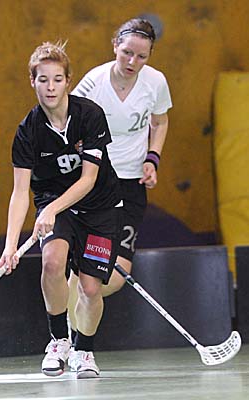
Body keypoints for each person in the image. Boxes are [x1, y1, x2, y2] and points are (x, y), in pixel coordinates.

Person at [0, 41, 121, 379]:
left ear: (68, 81)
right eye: (43, 79)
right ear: (32, 81)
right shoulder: (27, 132)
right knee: (51, 262)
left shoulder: (90, 115)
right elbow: (20, 192)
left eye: (57, 79)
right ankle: (59, 341)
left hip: (100, 207)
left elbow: (89, 179)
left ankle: (84, 351)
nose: (50, 87)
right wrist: (9, 246)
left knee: (90, 288)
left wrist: (51, 210)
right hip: (55, 203)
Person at [68, 18, 172, 366]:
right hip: (94, 184)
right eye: (127, 52)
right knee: (87, 277)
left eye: (142, 56)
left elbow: (160, 121)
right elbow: (67, 123)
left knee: (112, 276)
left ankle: (74, 320)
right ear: (115, 45)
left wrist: (152, 158)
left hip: (131, 186)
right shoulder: (93, 83)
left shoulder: (155, 82)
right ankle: (74, 345)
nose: (132, 62)